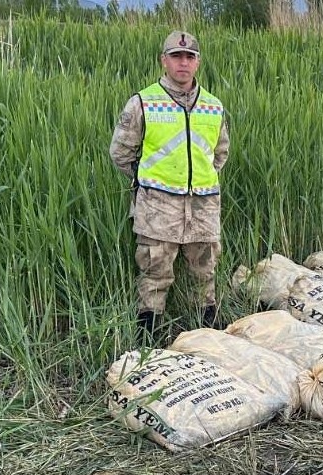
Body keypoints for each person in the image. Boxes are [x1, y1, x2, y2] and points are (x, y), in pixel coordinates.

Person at [110, 30, 230, 339]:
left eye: (189, 57)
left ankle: (208, 338)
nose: (183, 63)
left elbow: (220, 153)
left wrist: (200, 180)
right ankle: (148, 342)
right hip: (158, 208)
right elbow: (121, 153)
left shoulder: (213, 106)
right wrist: (150, 184)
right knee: (155, 272)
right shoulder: (143, 102)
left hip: (203, 205)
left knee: (205, 273)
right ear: (164, 61)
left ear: (198, 63)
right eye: (176, 56)